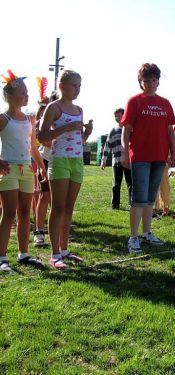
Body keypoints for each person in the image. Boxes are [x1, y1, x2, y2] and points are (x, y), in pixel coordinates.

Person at [38, 70, 93, 269]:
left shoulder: (79, 109)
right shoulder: (53, 107)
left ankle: (64, 250)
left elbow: (79, 140)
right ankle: (54, 255)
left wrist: (87, 133)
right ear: (62, 86)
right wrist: (66, 128)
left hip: (76, 161)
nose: (77, 89)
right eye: (74, 85)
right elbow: (41, 137)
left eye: (80, 85)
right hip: (59, 160)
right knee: (58, 207)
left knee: (69, 208)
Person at [121, 63, 175, 254]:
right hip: (140, 156)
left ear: (158, 81)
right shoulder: (134, 101)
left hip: (160, 156)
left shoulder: (165, 103)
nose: (151, 83)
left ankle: (147, 232)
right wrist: (123, 152)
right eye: (147, 80)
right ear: (141, 82)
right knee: (139, 198)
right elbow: (126, 129)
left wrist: (173, 152)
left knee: (150, 199)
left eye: (154, 79)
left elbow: (171, 130)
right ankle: (133, 237)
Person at [0, 70, 47, 271]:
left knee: (25, 212)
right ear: (9, 96)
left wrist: (42, 168)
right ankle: (2, 258)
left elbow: (33, 147)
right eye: (22, 92)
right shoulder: (3, 119)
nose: (26, 96)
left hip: (27, 170)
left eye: (28, 92)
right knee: (9, 213)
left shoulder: (30, 120)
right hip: (8, 170)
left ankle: (23, 254)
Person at [33, 84, 57, 247]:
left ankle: (58, 231)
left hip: (63, 160)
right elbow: (45, 141)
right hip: (46, 160)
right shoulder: (44, 119)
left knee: (58, 199)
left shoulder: (71, 115)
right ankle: (39, 232)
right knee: (45, 196)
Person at [100, 108, 132, 210]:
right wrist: (103, 160)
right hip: (117, 162)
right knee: (116, 184)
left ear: (124, 115)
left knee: (131, 183)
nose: (116, 118)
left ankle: (132, 203)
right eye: (115, 116)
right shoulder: (113, 131)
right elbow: (107, 146)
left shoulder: (130, 129)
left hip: (128, 161)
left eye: (118, 115)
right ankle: (115, 204)